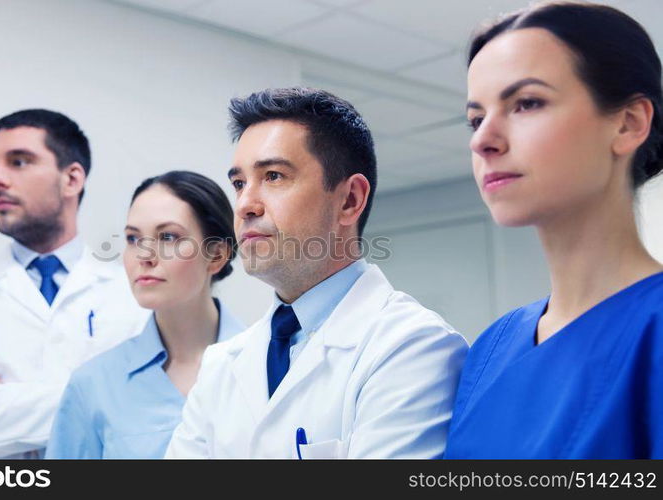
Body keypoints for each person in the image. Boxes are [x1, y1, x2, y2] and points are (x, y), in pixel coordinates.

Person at [164, 87, 468, 459]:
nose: (245, 205)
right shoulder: (221, 364)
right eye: (240, 183)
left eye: (273, 176)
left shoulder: (413, 348)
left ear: (350, 200)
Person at [445, 2, 663, 459]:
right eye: (475, 118)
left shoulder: (652, 331)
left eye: (526, 103)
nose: (482, 139)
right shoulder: (491, 348)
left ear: (629, 123)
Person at [0, 109, 147, 458]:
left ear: (72, 180)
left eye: (18, 162)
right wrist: (100, 400)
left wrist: (1, 395)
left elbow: (151, 408)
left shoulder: (134, 289)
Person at [45, 171, 245, 459]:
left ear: (216, 255)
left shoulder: (269, 364)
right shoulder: (93, 385)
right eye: (133, 238)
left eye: (167, 236)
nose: (145, 255)